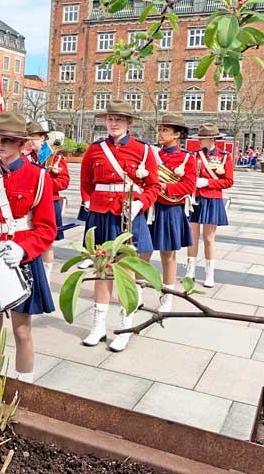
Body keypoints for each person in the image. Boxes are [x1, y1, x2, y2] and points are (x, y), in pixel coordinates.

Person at [0, 111, 56, 382]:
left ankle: (24, 386)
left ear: (22, 143)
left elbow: (47, 229)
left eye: (7, 140)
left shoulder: (38, 177)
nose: (0, 144)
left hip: (19, 256)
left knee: (21, 329)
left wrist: (23, 249)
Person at [79, 100, 160, 352]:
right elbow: (86, 181)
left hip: (128, 215)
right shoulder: (95, 149)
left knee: (127, 273)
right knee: (102, 271)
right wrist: (89, 202)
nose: (113, 123)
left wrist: (140, 203)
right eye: (110, 119)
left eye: (119, 119)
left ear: (129, 123)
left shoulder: (143, 150)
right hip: (102, 215)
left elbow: (154, 185)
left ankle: (125, 327)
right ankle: (98, 327)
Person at [139, 113, 195, 315]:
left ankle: (167, 297)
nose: (160, 133)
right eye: (160, 129)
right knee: (142, 251)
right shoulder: (152, 154)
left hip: (171, 209)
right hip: (150, 207)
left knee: (168, 254)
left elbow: (188, 186)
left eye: (165, 130)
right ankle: (137, 293)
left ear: (177, 134)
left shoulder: (187, 158)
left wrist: (163, 186)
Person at [186, 123, 234, 289]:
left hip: (212, 199)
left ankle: (209, 273)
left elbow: (228, 181)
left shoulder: (224, 157)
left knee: (208, 238)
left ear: (212, 139)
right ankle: (190, 271)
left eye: (203, 138)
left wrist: (207, 182)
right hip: (196, 198)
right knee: (192, 237)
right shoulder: (194, 155)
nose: (199, 141)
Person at [25, 121, 70, 285]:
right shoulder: (26, 158)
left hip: (49, 203)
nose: (30, 141)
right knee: (29, 237)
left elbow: (64, 182)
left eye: (34, 138)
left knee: (47, 241)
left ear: (43, 138)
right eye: (27, 138)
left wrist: (43, 184)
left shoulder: (55, 157)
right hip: (30, 204)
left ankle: (46, 276)